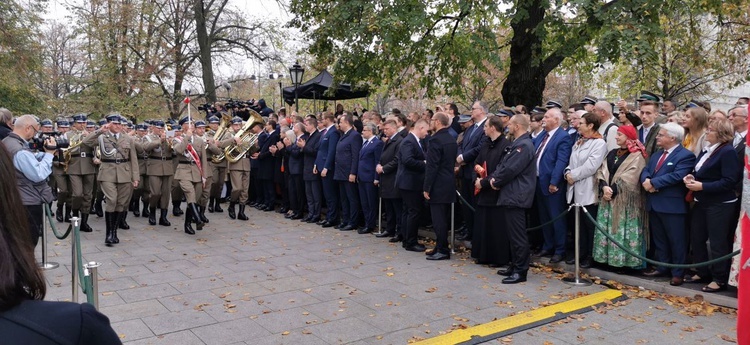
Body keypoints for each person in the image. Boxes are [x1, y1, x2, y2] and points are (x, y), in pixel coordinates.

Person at [0, 143, 121, 343]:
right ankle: (68, 213)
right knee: (73, 194)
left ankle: (85, 220)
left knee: (88, 196)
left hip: (91, 169)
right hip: (68, 169)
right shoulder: (75, 326)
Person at [684, 119, 742, 292]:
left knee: (717, 241)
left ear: (720, 134)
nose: (707, 133)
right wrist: (692, 177)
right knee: (697, 237)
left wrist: (703, 186)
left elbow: (729, 181)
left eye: (710, 130)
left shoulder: (727, 152)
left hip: (720, 203)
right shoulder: (707, 149)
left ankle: (719, 278)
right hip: (702, 201)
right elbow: (700, 170)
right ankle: (702, 272)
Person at [640, 122, 696, 286]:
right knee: (660, 239)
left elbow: (678, 175)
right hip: (654, 202)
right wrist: (646, 181)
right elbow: (646, 169)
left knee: (676, 240)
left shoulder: (685, 155)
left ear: (672, 137)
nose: (657, 137)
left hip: (672, 206)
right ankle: (662, 266)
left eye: (661, 134)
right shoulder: (658, 154)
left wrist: (654, 183)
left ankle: (677, 272)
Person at [485, 115, 537, 284]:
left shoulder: (524, 145)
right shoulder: (518, 144)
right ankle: (515, 265)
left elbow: (511, 169)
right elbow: (503, 165)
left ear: (517, 126)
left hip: (517, 195)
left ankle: (521, 270)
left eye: (510, 124)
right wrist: (494, 179)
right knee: (511, 234)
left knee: (518, 235)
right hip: (511, 194)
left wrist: (496, 181)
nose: (507, 127)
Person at [593, 125, 648, 269]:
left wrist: (613, 190)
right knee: (607, 229)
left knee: (622, 230)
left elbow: (631, 176)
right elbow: (602, 170)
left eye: (619, 135)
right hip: (608, 197)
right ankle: (605, 260)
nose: (616, 137)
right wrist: (604, 186)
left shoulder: (637, 155)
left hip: (624, 202)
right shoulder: (612, 152)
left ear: (628, 137)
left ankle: (624, 262)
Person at [82, 114, 139, 246]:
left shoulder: (128, 138)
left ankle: (114, 232)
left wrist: (135, 177)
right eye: (115, 124)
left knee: (121, 202)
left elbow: (133, 159)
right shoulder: (102, 137)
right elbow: (86, 143)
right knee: (111, 200)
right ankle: (108, 234)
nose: (118, 126)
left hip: (124, 172)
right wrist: (99, 131)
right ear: (108, 124)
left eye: (120, 124)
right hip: (107, 172)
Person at [2, 115, 56, 247]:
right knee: (28, 243)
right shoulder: (19, 150)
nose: (34, 135)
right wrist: (49, 154)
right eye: (35, 131)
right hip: (27, 201)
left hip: (14, 197)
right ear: (28, 128)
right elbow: (38, 174)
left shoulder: (7, 141)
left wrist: (39, 155)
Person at [563, 112, 608, 267]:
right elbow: (571, 161)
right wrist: (567, 172)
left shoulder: (599, 143)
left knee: (589, 225)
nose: (578, 125)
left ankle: (589, 254)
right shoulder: (579, 141)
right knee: (577, 225)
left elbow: (591, 166)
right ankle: (578, 253)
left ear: (590, 126)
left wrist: (573, 175)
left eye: (581, 123)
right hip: (574, 186)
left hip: (588, 187)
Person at [534, 108, 574, 263]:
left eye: (547, 117)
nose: (543, 119)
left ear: (556, 120)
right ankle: (548, 245)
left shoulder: (563, 137)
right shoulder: (542, 135)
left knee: (556, 217)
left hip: (552, 185)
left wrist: (554, 182)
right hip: (538, 181)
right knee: (544, 217)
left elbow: (561, 161)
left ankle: (559, 249)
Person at [471, 116, 511, 266]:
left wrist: (485, 182)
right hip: (482, 190)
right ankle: (482, 255)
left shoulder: (506, 145)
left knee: (496, 226)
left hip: (495, 190)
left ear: (493, 128)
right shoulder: (486, 144)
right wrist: (479, 176)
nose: (484, 128)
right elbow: (477, 162)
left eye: (486, 126)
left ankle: (497, 258)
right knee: (483, 223)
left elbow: (502, 169)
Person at [423, 113, 458, 260]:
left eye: (432, 120)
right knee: (442, 218)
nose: (430, 123)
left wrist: (427, 187)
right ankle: (440, 246)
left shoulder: (436, 140)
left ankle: (443, 249)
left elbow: (432, 166)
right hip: (448, 182)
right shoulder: (450, 139)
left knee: (438, 220)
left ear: (437, 122)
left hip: (437, 184)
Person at [456, 101, 489, 241]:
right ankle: (469, 230)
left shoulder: (486, 127)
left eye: (473, 108)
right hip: (464, 170)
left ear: (481, 111)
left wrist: (464, 157)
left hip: (476, 171)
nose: (471, 111)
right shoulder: (470, 128)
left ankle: (476, 233)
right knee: (466, 204)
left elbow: (481, 147)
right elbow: (461, 144)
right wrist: (460, 156)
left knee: (475, 204)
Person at [397, 119, 429, 252]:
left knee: (408, 211)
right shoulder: (409, 141)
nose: (427, 134)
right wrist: (425, 163)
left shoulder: (415, 141)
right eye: (426, 130)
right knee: (413, 212)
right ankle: (410, 241)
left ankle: (407, 239)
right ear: (420, 128)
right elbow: (408, 160)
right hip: (409, 183)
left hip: (410, 182)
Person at [172, 118, 208, 234]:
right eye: (187, 123)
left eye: (192, 123)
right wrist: (186, 137)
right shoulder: (177, 139)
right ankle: (197, 219)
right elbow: (178, 150)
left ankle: (187, 224)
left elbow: (203, 160)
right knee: (190, 194)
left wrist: (204, 175)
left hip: (197, 172)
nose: (190, 125)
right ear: (182, 126)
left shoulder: (199, 140)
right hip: (183, 171)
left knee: (195, 198)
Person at [65, 114, 96, 233]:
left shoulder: (90, 135)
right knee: (77, 194)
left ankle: (84, 222)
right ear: (74, 124)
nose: (82, 125)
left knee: (88, 195)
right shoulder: (67, 135)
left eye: (84, 123)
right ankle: (75, 212)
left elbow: (97, 147)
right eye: (79, 123)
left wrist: (89, 137)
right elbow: (66, 148)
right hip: (74, 165)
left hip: (88, 165)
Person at [142, 120, 175, 226]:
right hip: (154, 166)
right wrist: (160, 140)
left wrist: (170, 141)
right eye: (158, 128)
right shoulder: (148, 137)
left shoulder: (168, 137)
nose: (160, 130)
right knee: (155, 192)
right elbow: (146, 148)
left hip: (168, 166)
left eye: (162, 128)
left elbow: (174, 151)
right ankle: (152, 212)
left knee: (166, 193)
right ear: (153, 128)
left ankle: (163, 217)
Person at [334, 114, 362, 231]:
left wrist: (353, 172)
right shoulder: (344, 135)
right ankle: (345, 220)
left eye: (340, 122)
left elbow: (355, 156)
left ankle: (353, 221)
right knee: (344, 198)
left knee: (351, 198)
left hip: (348, 172)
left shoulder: (354, 136)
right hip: (340, 172)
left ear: (346, 122)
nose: (339, 124)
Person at [376, 120, 403, 241]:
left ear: (393, 128)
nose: (384, 131)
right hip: (386, 179)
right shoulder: (389, 140)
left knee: (397, 207)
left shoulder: (399, 141)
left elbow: (397, 160)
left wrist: (384, 168)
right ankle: (389, 228)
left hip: (393, 178)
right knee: (389, 207)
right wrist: (379, 165)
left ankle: (399, 231)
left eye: (386, 129)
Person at [315, 113, 341, 227]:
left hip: (328, 167)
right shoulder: (325, 131)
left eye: (322, 119)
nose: (321, 121)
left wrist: (326, 166)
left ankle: (332, 217)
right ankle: (329, 216)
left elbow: (331, 151)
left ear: (327, 119)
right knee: (326, 193)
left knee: (330, 194)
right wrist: (316, 164)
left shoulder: (333, 132)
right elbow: (320, 150)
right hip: (321, 164)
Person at [357, 123, 383, 234]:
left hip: (370, 177)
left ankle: (370, 224)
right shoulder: (365, 143)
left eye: (365, 130)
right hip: (362, 176)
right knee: (364, 202)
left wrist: (376, 177)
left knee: (371, 202)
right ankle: (367, 222)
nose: (362, 132)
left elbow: (378, 161)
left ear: (371, 131)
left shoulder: (377, 143)